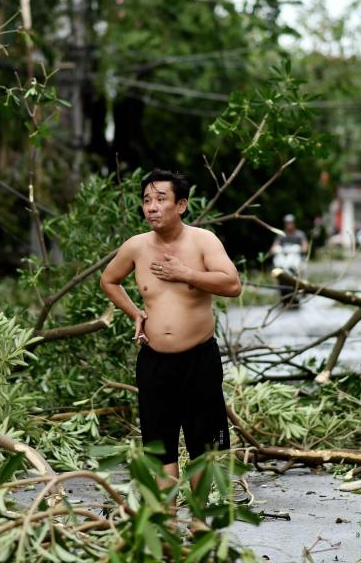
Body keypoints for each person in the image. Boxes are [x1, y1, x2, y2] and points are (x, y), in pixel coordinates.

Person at [100, 169, 241, 490]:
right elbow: (108, 280)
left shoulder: (203, 241)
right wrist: (134, 313)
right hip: (155, 362)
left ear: (181, 205)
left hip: (198, 360)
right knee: (160, 448)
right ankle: (166, 525)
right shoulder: (136, 247)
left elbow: (232, 284)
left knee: (203, 448)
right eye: (146, 200)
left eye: (160, 199)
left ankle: (199, 522)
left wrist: (186, 273)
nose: (152, 207)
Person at [269, 214, 308, 305]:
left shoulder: (299, 234)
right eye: (287, 223)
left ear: (294, 224)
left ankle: (301, 288)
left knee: (301, 270)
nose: (289, 225)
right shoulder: (281, 235)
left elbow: (305, 246)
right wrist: (275, 249)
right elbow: (274, 246)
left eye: (291, 223)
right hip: (284, 261)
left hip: (295, 260)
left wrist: (299, 248)